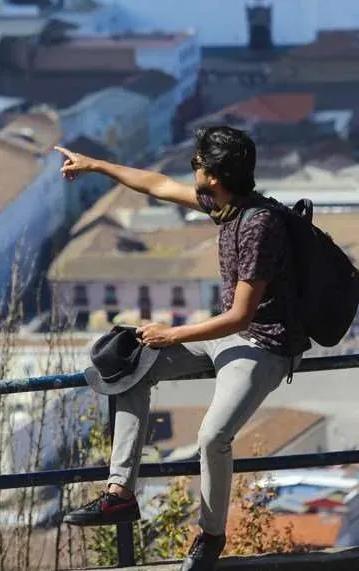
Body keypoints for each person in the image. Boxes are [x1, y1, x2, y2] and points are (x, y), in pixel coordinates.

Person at [54, 125, 306, 571]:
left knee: (212, 437)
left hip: (265, 345)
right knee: (129, 367)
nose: (192, 165)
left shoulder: (257, 226)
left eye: (198, 160)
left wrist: (172, 335)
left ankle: (210, 537)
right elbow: (157, 184)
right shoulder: (223, 205)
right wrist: (95, 166)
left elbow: (241, 317)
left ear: (213, 174)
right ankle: (120, 494)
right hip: (226, 336)